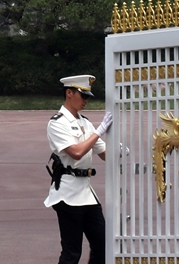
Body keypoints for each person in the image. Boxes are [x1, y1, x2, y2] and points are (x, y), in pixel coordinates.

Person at [44, 74, 113, 264]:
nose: (86, 100)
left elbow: (104, 153)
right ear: (69, 93)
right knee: (72, 252)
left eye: (88, 96)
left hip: (86, 193)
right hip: (67, 194)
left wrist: (119, 148)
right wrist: (99, 132)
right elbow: (76, 152)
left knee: (103, 245)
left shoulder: (85, 122)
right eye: (83, 96)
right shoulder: (57, 123)